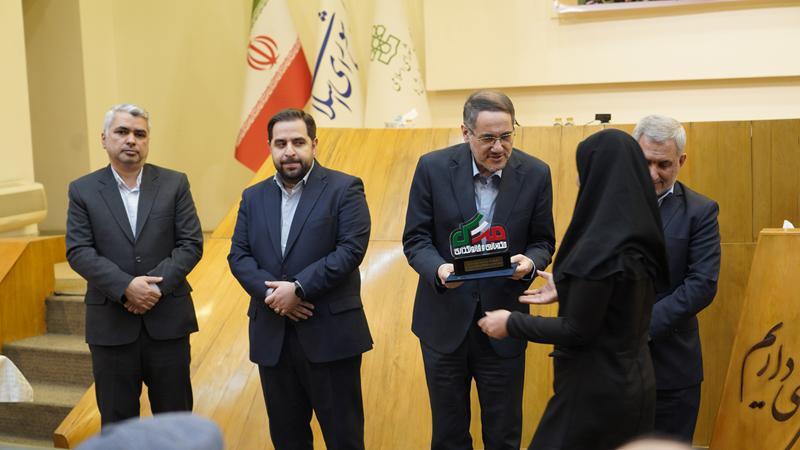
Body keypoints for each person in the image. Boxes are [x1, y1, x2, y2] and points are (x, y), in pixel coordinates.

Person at [479, 129, 670, 450]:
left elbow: (577, 330)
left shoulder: (599, 247)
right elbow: (615, 302)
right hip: (635, 385)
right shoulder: (638, 237)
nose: (580, 181)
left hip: (593, 394)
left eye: (584, 171)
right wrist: (570, 287)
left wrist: (511, 322)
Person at [402, 90, 555, 449]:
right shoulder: (432, 168)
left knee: (503, 436)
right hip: (444, 324)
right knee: (449, 436)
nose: (499, 147)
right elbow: (416, 239)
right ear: (465, 132)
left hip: (504, 323)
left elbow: (543, 241)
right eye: (488, 138)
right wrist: (439, 270)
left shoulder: (535, 173)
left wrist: (530, 263)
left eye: (506, 136)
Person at [228, 108, 372, 450]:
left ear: (314, 144)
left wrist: (299, 289)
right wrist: (277, 297)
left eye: (298, 142)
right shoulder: (253, 197)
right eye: (280, 143)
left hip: (330, 335)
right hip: (273, 338)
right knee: (287, 440)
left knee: (344, 439)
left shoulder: (344, 188)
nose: (289, 151)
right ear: (270, 147)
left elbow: (350, 250)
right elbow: (239, 256)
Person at [66, 103, 203, 426]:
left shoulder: (174, 183)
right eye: (122, 132)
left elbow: (191, 244)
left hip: (168, 322)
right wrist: (126, 286)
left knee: (175, 424)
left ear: (147, 140)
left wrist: (152, 288)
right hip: (111, 325)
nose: (131, 140)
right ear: (104, 139)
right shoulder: (83, 190)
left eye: (140, 134)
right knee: (118, 426)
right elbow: (79, 250)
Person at [633, 114, 721, 443]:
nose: (653, 174)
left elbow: (701, 285)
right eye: (645, 162)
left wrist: (640, 325)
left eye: (664, 164)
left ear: (681, 161)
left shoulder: (700, 211)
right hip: (613, 368)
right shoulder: (608, 204)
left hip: (671, 369)